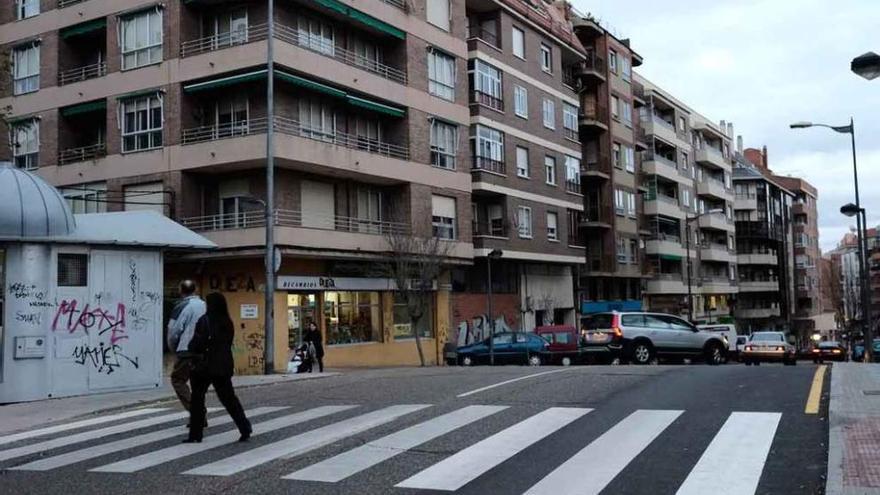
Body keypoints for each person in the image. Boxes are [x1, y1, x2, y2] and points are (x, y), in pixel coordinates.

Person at [184, 292, 252, 443]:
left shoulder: (204, 321)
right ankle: (244, 427)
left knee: (197, 399)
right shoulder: (227, 321)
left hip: (204, 366)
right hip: (223, 365)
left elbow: (197, 343)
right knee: (229, 399)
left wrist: (191, 351)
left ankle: (195, 434)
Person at [167, 280, 206, 421]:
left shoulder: (181, 306)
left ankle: (197, 413)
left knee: (178, 380)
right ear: (195, 289)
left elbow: (173, 331)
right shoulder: (204, 305)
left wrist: (173, 348)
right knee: (198, 384)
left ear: (180, 290)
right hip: (203, 351)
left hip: (186, 350)